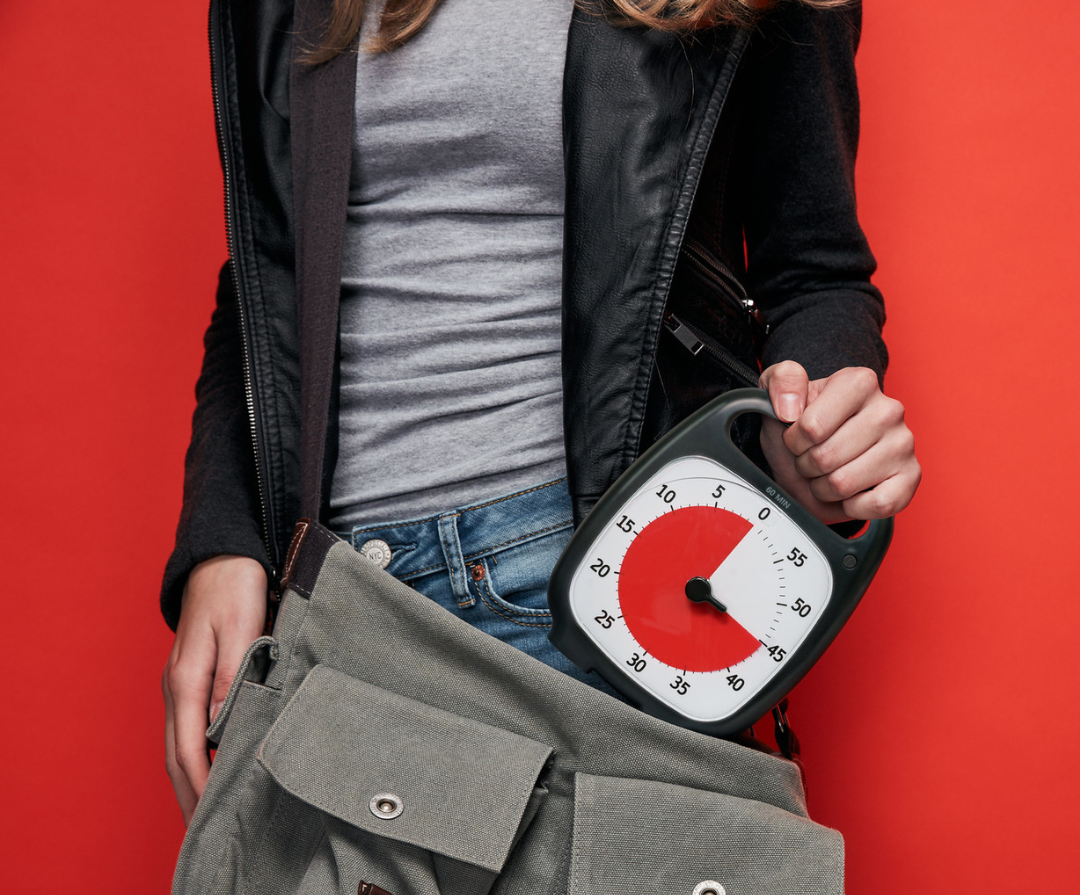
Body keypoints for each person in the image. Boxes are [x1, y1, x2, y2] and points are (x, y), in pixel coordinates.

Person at [161, 0, 920, 825]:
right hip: (330, 594)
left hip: (582, 580)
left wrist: (822, 424)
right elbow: (267, 274)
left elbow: (815, 273)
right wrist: (224, 539)